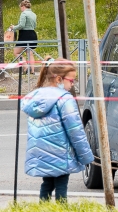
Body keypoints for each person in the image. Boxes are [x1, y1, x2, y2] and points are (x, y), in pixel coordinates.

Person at [22, 58, 94, 202]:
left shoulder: (36, 97)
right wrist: (86, 156)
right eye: (71, 80)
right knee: (62, 185)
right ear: (59, 79)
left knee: (47, 183)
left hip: (41, 153)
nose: (72, 84)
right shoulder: (65, 99)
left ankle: (43, 210)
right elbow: (75, 131)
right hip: (60, 153)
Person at [8, 0, 37, 74]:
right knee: (30, 53)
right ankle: (32, 71)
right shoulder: (34, 14)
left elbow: (21, 25)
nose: (20, 9)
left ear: (23, 6)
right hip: (32, 34)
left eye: (20, 7)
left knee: (16, 52)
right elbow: (35, 26)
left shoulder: (24, 14)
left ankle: (26, 67)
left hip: (24, 35)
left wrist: (13, 27)